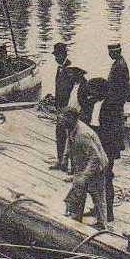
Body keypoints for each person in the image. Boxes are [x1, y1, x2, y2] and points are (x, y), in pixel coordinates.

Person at [61, 106, 109, 230]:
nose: (62, 121)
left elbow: (96, 158)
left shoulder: (83, 134)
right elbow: (69, 140)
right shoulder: (71, 127)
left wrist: (84, 176)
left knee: (97, 196)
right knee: (78, 192)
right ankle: (76, 217)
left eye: (65, 118)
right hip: (82, 164)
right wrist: (65, 157)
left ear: (73, 119)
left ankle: (102, 225)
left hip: (96, 167)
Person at [85, 77, 123, 222]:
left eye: (94, 91)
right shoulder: (94, 103)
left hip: (107, 147)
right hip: (96, 144)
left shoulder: (113, 105)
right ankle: (97, 207)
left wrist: (108, 151)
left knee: (106, 178)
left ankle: (109, 212)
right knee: (93, 178)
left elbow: (115, 130)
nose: (91, 94)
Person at [50, 42, 80, 171]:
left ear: (64, 55)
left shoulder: (71, 69)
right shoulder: (59, 68)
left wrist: (70, 109)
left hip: (68, 109)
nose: (56, 58)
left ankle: (73, 167)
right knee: (60, 135)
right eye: (55, 55)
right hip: (60, 109)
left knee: (71, 137)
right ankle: (61, 161)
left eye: (58, 55)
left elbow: (74, 91)